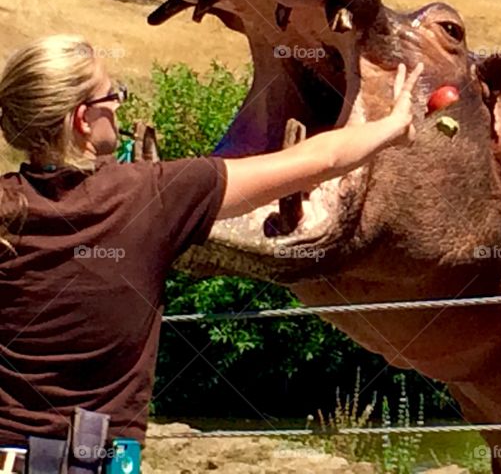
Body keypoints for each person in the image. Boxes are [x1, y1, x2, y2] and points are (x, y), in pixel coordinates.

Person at [0, 34, 423, 473]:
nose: (121, 104)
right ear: (83, 120)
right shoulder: (155, 195)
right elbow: (319, 158)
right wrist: (391, 127)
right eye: (113, 95)